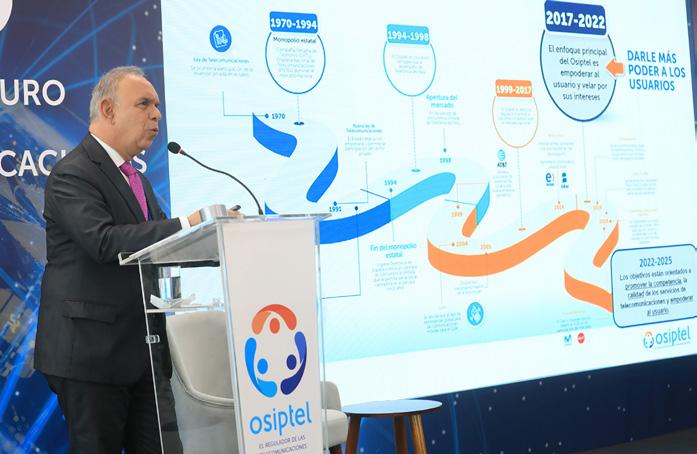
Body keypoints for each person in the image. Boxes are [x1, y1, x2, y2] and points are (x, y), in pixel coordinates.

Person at [34, 66, 227, 453]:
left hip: (145, 354)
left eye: (157, 105)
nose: (157, 114)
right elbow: (104, 242)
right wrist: (189, 222)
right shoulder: (72, 173)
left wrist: (222, 242)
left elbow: (166, 246)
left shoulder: (135, 178)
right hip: (91, 356)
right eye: (144, 104)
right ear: (108, 110)